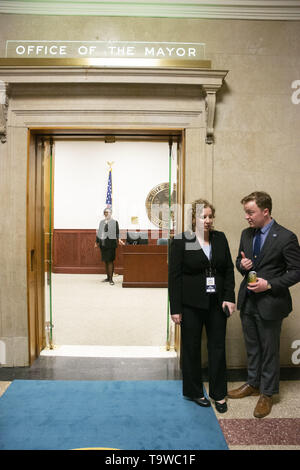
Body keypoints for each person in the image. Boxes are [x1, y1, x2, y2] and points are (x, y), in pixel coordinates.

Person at [227, 191, 300, 418]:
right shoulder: (246, 234)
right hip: (248, 301)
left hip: (271, 303)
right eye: (246, 212)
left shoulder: (286, 237)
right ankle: (253, 383)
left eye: (251, 212)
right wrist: (243, 264)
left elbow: (297, 271)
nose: (247, 217)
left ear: (265, 211)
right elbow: (240, 261)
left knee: (269, 350)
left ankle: (267, 394)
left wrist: (269, 285)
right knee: (253, 347)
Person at [168, 199, 235, 413]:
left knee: (217, 348)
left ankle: (218, 394)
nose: (207, 221)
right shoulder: (181, 241)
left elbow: (228, 271)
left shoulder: (220, 238)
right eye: (202, 216)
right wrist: (175, 308)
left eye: (210, 216)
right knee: (191, 347)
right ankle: (195, 391)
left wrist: (229, 297)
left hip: (216, 303)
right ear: (193, 219)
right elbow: (174, 277)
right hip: (190, 304)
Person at [95, 208, 124, 285]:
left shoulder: (115, 222)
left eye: (107, 212)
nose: (106, 214)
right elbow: (99, 232)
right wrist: (96, 242)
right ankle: (108, 277)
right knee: (106, 261)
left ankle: (111, 279)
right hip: (103, 244)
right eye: (105, 213)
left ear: (111, 213)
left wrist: (119, 239)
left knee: (110, 261)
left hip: (111, 244)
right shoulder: (102, 222)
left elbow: (117, 233)